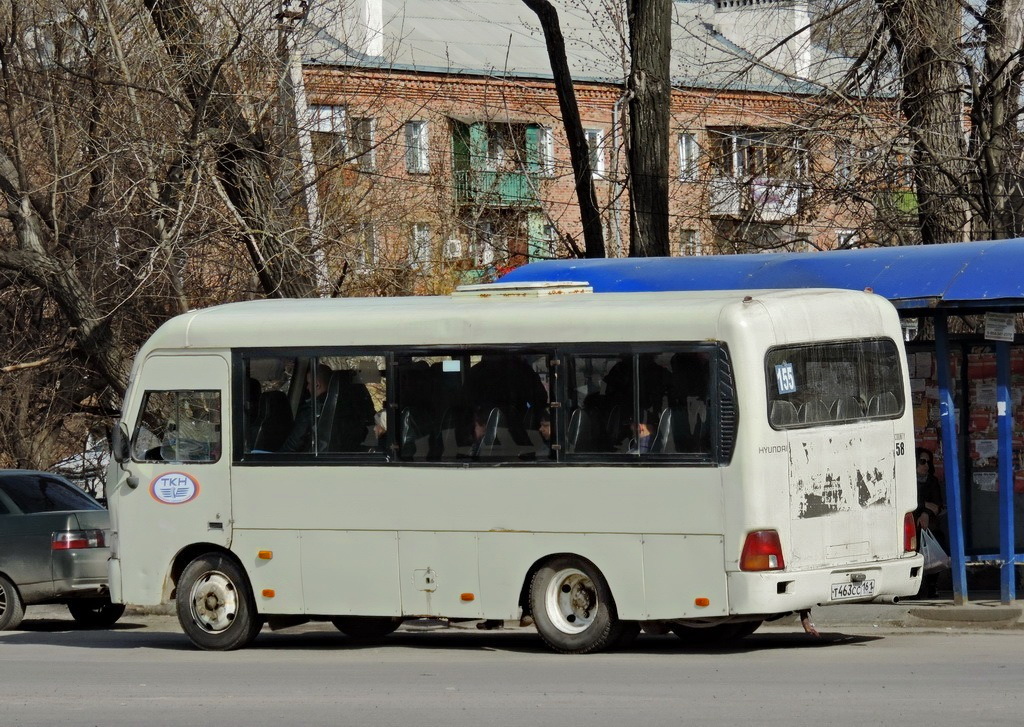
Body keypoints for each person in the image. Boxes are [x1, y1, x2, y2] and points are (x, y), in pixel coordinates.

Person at [915, 447, 946, 597]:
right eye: (922, 461)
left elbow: (937, 506)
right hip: (912, 526)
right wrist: (925, 505)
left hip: (931, 527)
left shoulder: (932, 481)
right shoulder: (907, 480)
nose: (926, 465)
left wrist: (925, 511)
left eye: (928, 462)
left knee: (938, 545)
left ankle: (933, 586)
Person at [280, 363, 331, 452]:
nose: (307, 387)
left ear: (317, 385)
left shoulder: (311, 410)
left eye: (308, 383)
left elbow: (292, 446)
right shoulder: (343, 406)